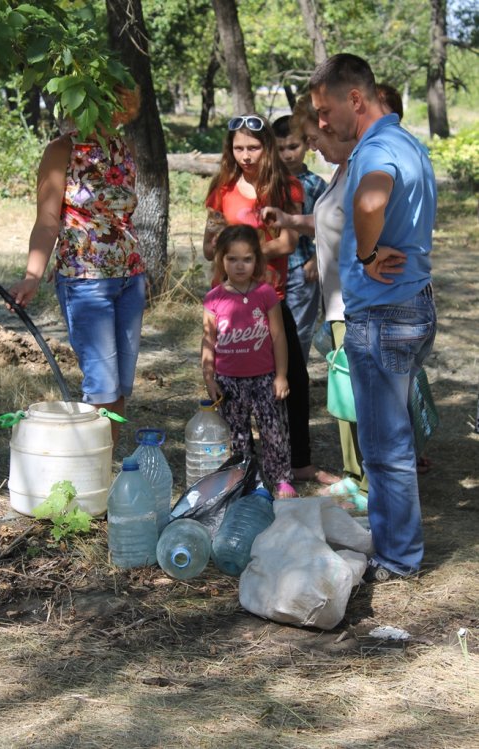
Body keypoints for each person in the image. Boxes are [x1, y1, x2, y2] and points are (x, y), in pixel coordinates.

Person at [310, 54, 437, 582]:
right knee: (389, 440)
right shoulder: (407, 141)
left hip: (384, 315)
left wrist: (364, 255)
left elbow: (370, 199)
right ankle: (392, 541)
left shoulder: (378, 149)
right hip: (412, 304)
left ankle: (398, 557)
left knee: (385, 449)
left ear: (355, 100)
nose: (321, 123)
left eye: (324, 111)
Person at [203, 114, 338, 486]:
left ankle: (299, 461)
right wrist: (219, 248)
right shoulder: (224, 188)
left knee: (291, 374)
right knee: (231, 380)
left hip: (270, 299)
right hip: (229, 303)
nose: (246, 156)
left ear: (267, 148)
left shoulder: (285, 186)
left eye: (254, 147)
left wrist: (246, 254)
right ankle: (239, 464)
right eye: (239, 148)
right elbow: (207, 245)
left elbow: (287, 242)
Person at [9, 86, 145, 448]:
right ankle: (89, 470)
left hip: (131, 277)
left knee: (119, 388)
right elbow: (47, 221)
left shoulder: (122, 146)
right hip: (85, 281)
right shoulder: (61, 150)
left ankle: (106, 468)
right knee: (101, 386)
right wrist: (32, 276)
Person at [263, 97, 366, 511]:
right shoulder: (339, 172)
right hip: (326, 295)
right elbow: (324, 223)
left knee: (347, 385)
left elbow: (354, 227)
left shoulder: (341, 174)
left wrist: (309, 256)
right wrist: (289, 222)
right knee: (345, 385)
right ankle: (357, 474)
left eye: (309, 139)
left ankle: (364, 480)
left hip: (343, 295)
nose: (307, 147)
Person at [202, 224, 297, 499]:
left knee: (273, 431)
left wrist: (281, 375)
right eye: (232, 259)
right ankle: (242, 481)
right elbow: (207, 341)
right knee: (237, 436)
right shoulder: (214, 298)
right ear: (221, 259)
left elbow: (279, 337)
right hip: (228, 381)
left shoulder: (265, 294)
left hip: (265, 377)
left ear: (256, 259)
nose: (240, 265)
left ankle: (281, 480)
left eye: (247, 259)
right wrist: (209, 377)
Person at [272, 115, 327, 363]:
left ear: (306, 144)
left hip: (302, 267)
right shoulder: (267, 182)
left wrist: (317, 258)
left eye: (293, 147)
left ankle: (296, 385)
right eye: (280, 148)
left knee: (300, 332)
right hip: (270, 266)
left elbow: (331, 228)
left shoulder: (315, 185)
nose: (287, 155)